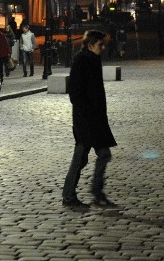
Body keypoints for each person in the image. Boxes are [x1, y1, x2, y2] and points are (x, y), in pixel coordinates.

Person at [62, 29, 117, 209]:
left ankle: (97, 193)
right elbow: (75, 93)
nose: (103, 47)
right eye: (101, 44)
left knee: (103, 154)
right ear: (91, 44)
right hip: (86, 120)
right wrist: (86, 114)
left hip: (97, 119)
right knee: (80, 158)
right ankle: (69, 195)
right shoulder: (81, 60)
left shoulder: (93, 59)